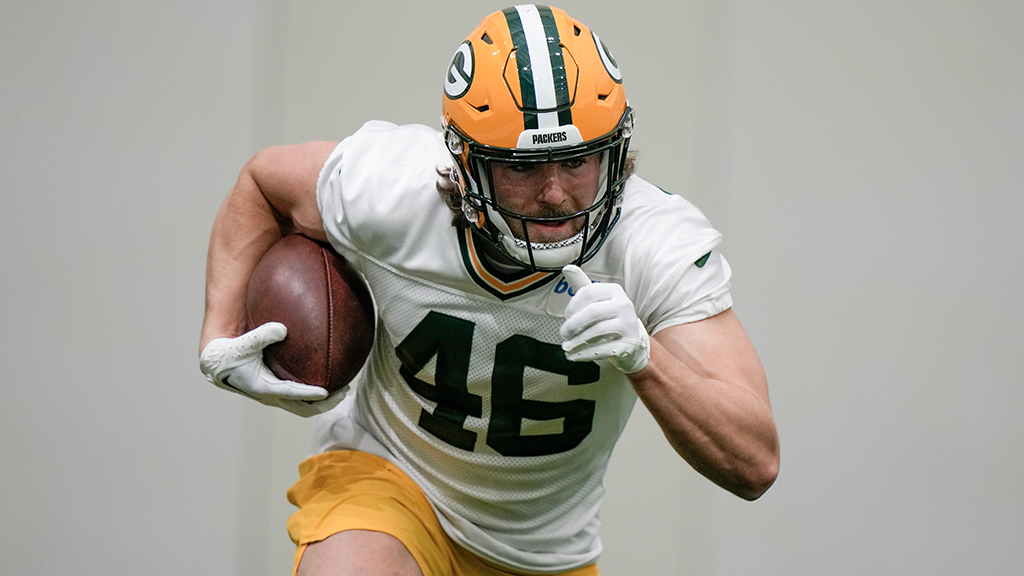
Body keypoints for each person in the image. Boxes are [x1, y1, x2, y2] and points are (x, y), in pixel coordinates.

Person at [199, 5, 779, 576]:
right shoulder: (394, 192)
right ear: (464, 163)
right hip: (388, 477)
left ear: (616, 152)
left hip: (543, 552)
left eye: (578, 160)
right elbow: (264, 181)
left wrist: (645, 361)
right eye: (523, 168)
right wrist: (220, 332)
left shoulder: (653, 248)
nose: (555, 194)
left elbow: (754, 461)